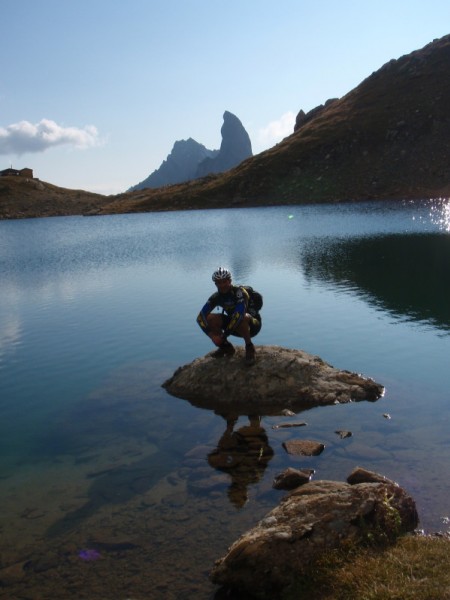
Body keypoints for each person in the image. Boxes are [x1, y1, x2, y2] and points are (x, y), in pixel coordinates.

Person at [196, 267, 262, 366]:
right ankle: (226, 348)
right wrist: (212, 336)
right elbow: (200, 317)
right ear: (215, 284)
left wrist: (223, 335)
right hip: (234, 325)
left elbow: (239, 315)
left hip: (252, 325)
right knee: (210, 318)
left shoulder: (239, 292)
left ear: (230, 281)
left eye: (224, 281)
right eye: (219, 282)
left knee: (242, 317)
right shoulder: (216, 297)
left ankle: (249, 347)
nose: (222, 285)